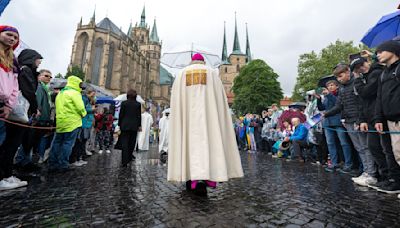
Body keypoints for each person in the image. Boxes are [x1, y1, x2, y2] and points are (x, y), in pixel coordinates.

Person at [168, 53, 243, 196]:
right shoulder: (212, 73)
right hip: (208, 118)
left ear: (192, 61)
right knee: (209, 142)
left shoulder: (182, 74)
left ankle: (189, 177)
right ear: (202, 61)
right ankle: (207, 176)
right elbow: (220, 100)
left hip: (188, 119)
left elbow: (176, 101)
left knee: (188, 145)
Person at [324, 64, 377, 185]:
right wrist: (326, 114)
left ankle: (372, 173)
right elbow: (339, 105)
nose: (339, 79)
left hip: (358, 120)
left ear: (348, 71)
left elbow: (362, 103)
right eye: (337, 77)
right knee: (359, 148)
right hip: (348, 121)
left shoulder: (357, 82)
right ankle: (366, 171)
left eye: (340, 76)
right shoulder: (342, 88)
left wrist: (360, 120)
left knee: (365, 147)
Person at [0, 25, 26, 190]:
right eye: (8, 35)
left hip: (3, 104)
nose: (12, 39)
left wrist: (9, 105)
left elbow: (15, 85)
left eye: (15, 38)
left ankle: (2, 178)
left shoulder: (12, 59)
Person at [374, 40, 400, 195]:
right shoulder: (384, 73)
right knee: (397, 154)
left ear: (392, 49)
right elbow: (379, 98)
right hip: (390, 120)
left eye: (380, 51)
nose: (377, 54)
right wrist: (378, 119)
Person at [48, 76, 87, 172]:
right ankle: (63, 164)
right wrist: (83, 114)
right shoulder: (75, 93)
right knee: (67, 144)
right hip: (72, 122)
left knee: (57, 143)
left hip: (61, 122)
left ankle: (52, 164)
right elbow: (80, 107)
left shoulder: (61, 93)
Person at [316, 79, 353, 172]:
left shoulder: (339, 94)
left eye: (332, 85)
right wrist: (319, 99)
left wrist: (328, 94)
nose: (330, 87)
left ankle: (348, 163)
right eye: (328, 86)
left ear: (337, 86)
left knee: (344, 143)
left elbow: (338, 103)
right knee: (330, 144)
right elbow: (322, 108)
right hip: (327, 123)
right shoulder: (326, 97)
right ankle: (334, 163)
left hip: (337, 122)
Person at [70, 87, 96, 166]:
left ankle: (79, 158)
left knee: (82, 141)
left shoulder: (88, 100)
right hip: (83, 123)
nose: (94, 96)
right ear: (89, 92)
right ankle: (75, 159)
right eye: (93, 94)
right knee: (79, 142)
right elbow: (82, 110)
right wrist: (92, 110)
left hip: (86, 123)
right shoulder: (84, 99)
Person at [118, 89, 142, 167]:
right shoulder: (138, 104)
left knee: (124, 143)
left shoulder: (124, 103)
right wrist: (139, 125)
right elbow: (139, 116)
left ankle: (124, 161)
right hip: (134, 126)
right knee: (132, 143)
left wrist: (119, 124)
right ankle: (129, 158)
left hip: (124, 125)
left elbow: (121, 115)